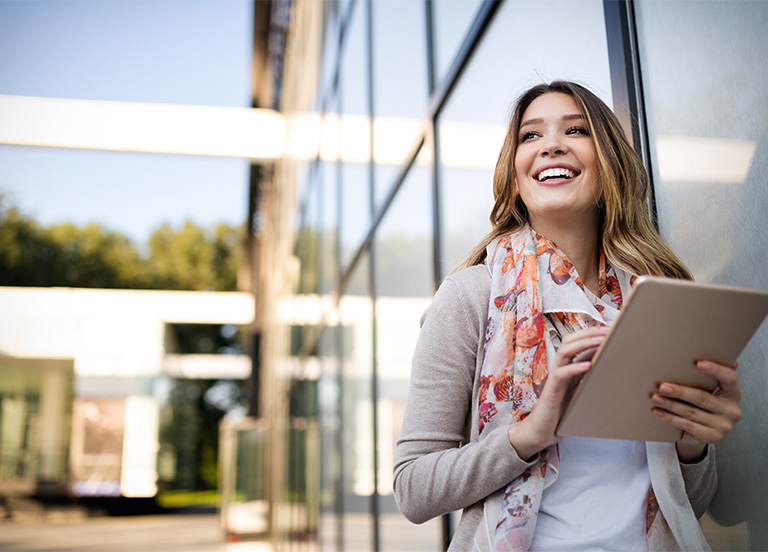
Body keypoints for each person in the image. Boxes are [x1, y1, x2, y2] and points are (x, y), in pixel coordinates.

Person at [392, 81, 743, 551]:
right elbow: (413, 489)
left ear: (608, 161)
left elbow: (689, 506)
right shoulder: (470, 297)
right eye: (530, 136)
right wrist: (532, 433)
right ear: (514, 175)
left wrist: (692, 443)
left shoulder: (658, 298)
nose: (551, 144)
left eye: (575, 130)